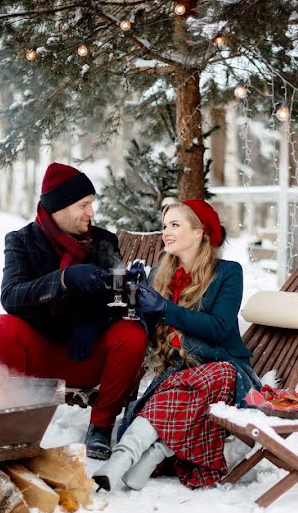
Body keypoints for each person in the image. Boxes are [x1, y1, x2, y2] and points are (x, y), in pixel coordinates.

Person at [93, 199, 260, 491]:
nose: (165, 233)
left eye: (174, 225)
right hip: (179, 374)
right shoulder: (160, 273)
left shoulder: (229, 273)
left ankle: (131, 457)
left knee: (210, 375)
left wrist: (164, 308)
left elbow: (219, 328)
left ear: (199, 232)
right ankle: (141, 455)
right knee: (180, 385)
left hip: (223, 370)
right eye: (164, 226)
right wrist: (133, 304)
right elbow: (148, 334)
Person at [0, 162, 147, 460]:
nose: (92, 213)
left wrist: (93, 321)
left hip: (85, 357)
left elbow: (121, 298)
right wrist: (63, 279)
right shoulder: (21, 242)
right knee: (3, 327)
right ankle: (8, 422)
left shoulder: (104, 242)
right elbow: (11, 296)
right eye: (84, 205)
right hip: (39, 357)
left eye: (92, 204)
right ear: (58, 208)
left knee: (132, 332)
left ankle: (101, 426)